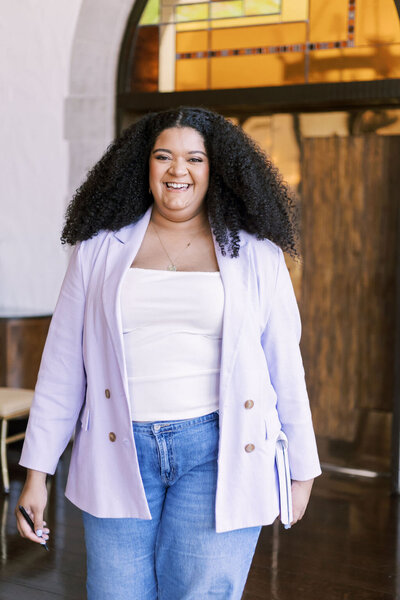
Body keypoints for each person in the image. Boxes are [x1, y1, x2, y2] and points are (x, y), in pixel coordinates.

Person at [15, 106, 321, 599]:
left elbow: (284, 362)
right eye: (164, 156)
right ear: (145, 166)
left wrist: (302, 470)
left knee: (202, 592)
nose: (178, 170)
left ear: (215, 169)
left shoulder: (256, 254)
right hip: (116, 445)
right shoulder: (98, 249)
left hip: (218, 449)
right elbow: (63, 366)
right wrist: (37, 474)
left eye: (194, 158)